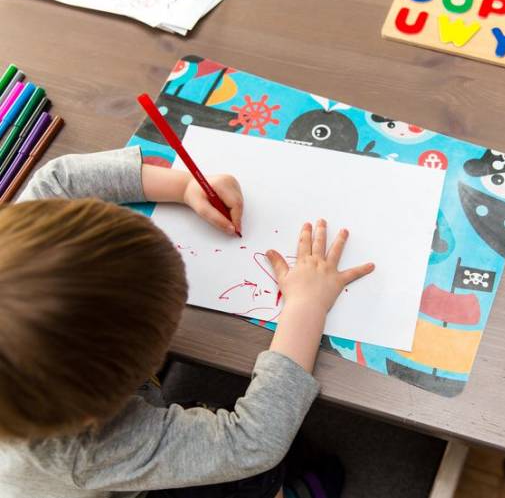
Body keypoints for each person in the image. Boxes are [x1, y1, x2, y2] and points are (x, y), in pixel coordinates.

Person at [0, 146, 374, 498]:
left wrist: (183, 185)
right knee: (249, 474)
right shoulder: (89, 450)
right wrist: (307, 305)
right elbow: (253, 442)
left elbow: (57, 180)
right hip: (123, 489)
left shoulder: (18, 252)